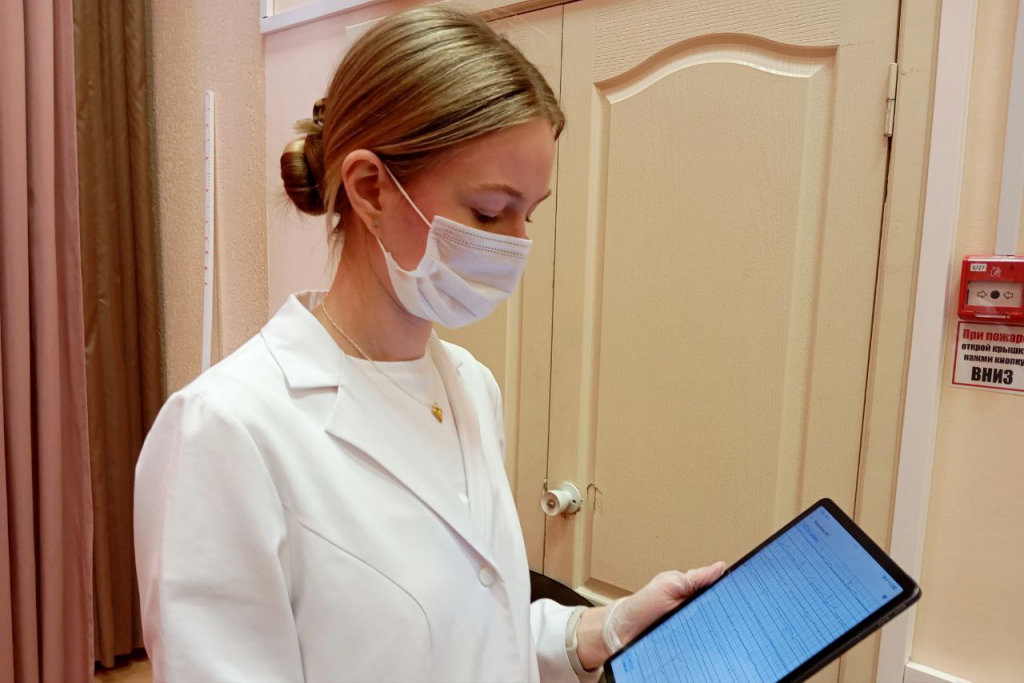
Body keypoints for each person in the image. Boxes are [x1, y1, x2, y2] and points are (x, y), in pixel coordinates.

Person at [133, 6, 725, 682]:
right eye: (489, 212)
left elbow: (474, 624)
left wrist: (605, 627)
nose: (516, 246)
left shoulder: (469, 385)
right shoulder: (225, 431)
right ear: (370, 189)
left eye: (529, 215)